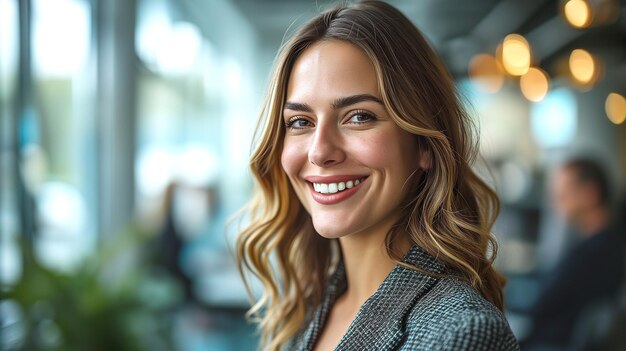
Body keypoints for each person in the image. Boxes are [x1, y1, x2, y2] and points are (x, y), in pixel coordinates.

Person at [235, 1, 519, 350]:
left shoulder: (461, 335)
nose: (319, 151)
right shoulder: (304, 311)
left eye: (359, 117)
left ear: (424, 145)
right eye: (300, 122)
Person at [522, 158, 625, 349]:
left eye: (563, 194)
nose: (555, 203)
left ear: (590, 194)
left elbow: (545, 301)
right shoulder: (598, 244)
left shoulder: (597, 253)